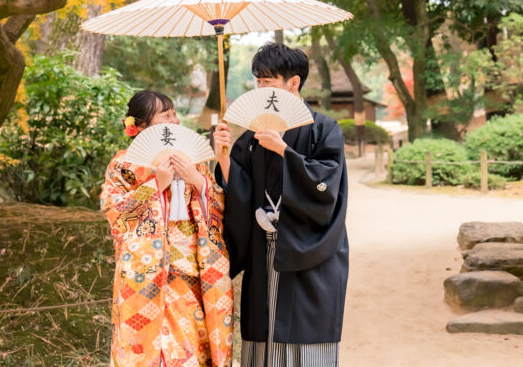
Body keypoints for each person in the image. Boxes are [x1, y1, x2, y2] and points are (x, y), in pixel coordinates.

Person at [214, 43, 349, 367]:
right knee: (263, 334)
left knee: (306, 334)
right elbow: (240, 189)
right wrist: (222, 156)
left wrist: (285, 152)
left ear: (293, 83)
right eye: (258, 81)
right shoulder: (252, 135)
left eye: (269, 82)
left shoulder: (324, 129)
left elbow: (326, 186)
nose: (261, 89)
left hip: (309, 250)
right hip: (263, 249)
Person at [101, 90, 233, 367]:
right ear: (142, 125)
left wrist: (197, 179)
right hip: (145, 274)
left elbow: (219, 207)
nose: (174, 120)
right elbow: (114, 211)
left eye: (174, 113)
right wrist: (156, 185)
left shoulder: (193, 160)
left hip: (190, 273)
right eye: (166, 114)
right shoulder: (123, 164)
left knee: (189, 350)